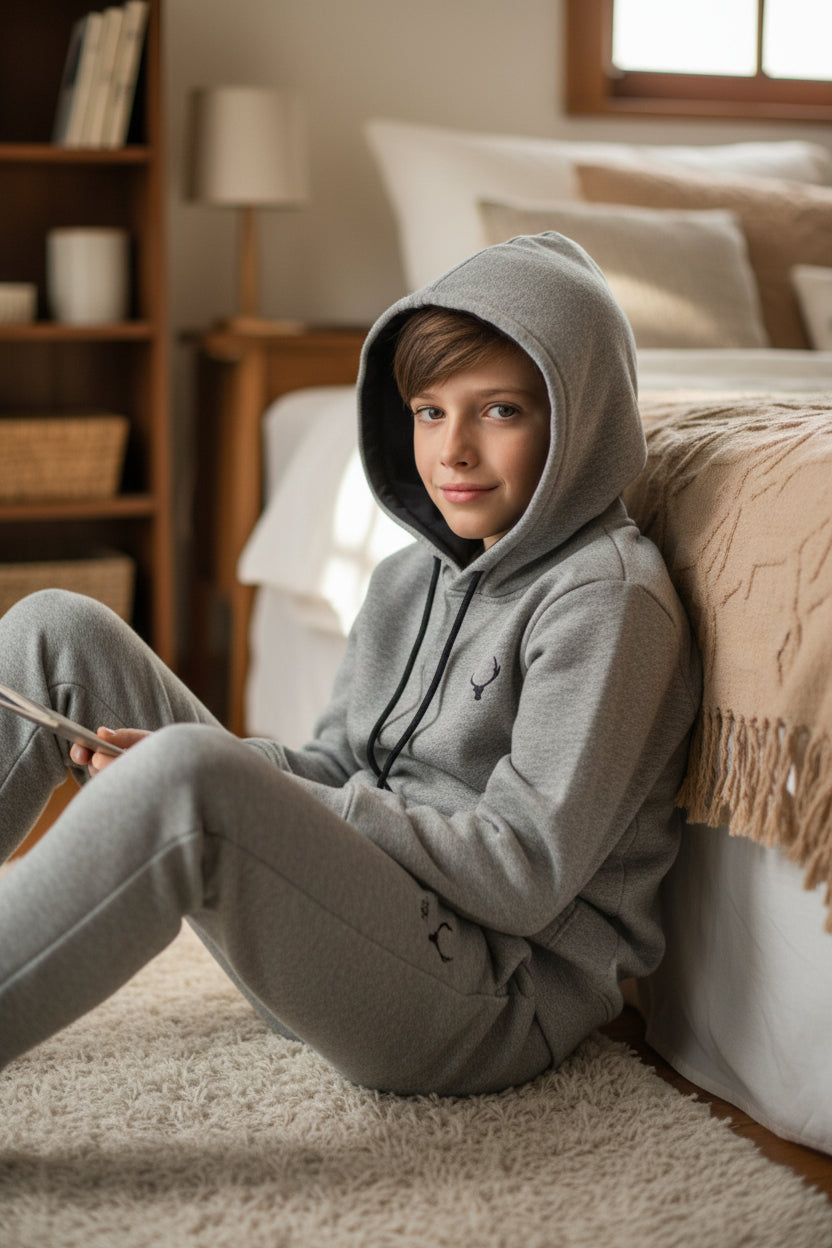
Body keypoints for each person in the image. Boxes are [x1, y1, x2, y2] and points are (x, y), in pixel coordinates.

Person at [0, 233, 700, 1096]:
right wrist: (243, 776)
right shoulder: (408, 579)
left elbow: (518, 876)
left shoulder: (610, 602)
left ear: (582, 419)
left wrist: (233, 782)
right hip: (344, 941)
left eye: (502, 411)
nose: (454, 451)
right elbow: (338, 766)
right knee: (55, 631)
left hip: (483, 997)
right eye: (431, 411)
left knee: (191, 776)